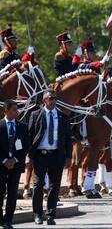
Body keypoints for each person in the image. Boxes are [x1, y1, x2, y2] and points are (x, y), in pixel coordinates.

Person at [27, 90, 72, 225]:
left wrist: (69, 156)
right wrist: (29, 156)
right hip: (40, 155)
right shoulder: (35, 115)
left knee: (54, 186)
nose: (53, 101)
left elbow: (68, 139)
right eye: (50, 98)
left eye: (55, 98)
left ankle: (51, 215)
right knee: (38, 185)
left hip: (56, 155)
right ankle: (37, 214)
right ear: (44, 101)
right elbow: (30, 137)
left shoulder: (63, 117)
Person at [0, 100, 30, 229]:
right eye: (14, 109)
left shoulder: (22, 127)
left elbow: (25, 146)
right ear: (5, 111)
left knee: (12, 194)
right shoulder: (0, 125)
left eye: (17, 110)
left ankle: (8, 220)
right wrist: (4, 160)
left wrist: (15, 160)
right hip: (1, 166)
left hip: (15, 166)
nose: (17, 112)